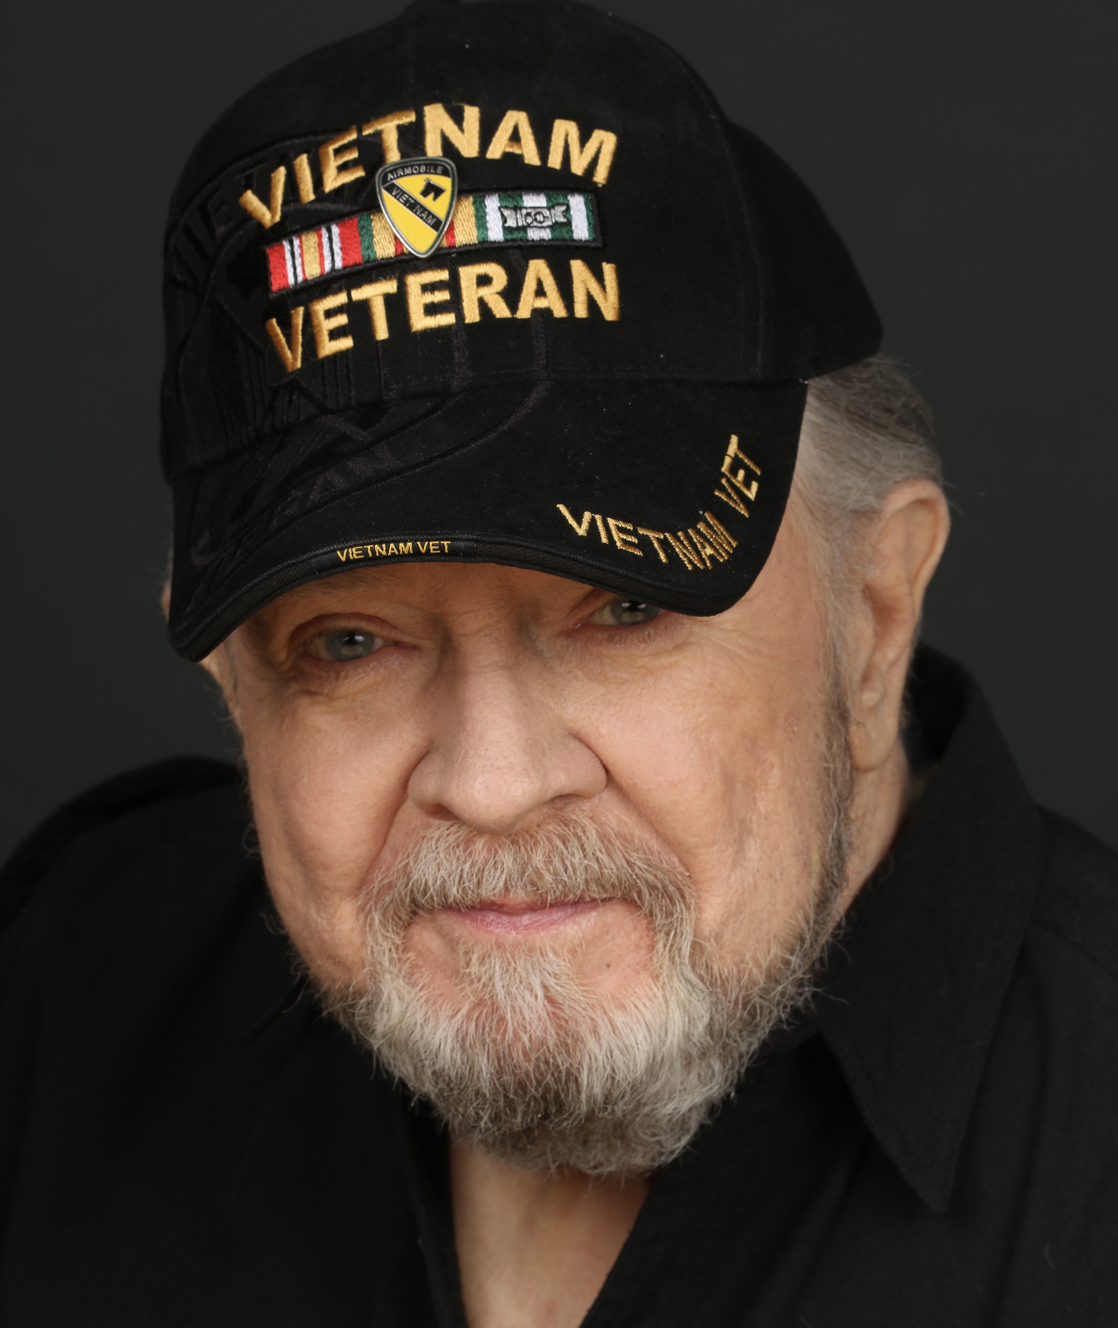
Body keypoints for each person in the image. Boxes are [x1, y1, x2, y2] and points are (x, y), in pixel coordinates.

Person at [1, 1, 1115, 1325]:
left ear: (871, 619)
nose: (493, 785)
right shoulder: (74, 991)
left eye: (626, 609)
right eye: (349, 642)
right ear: (233, 682)